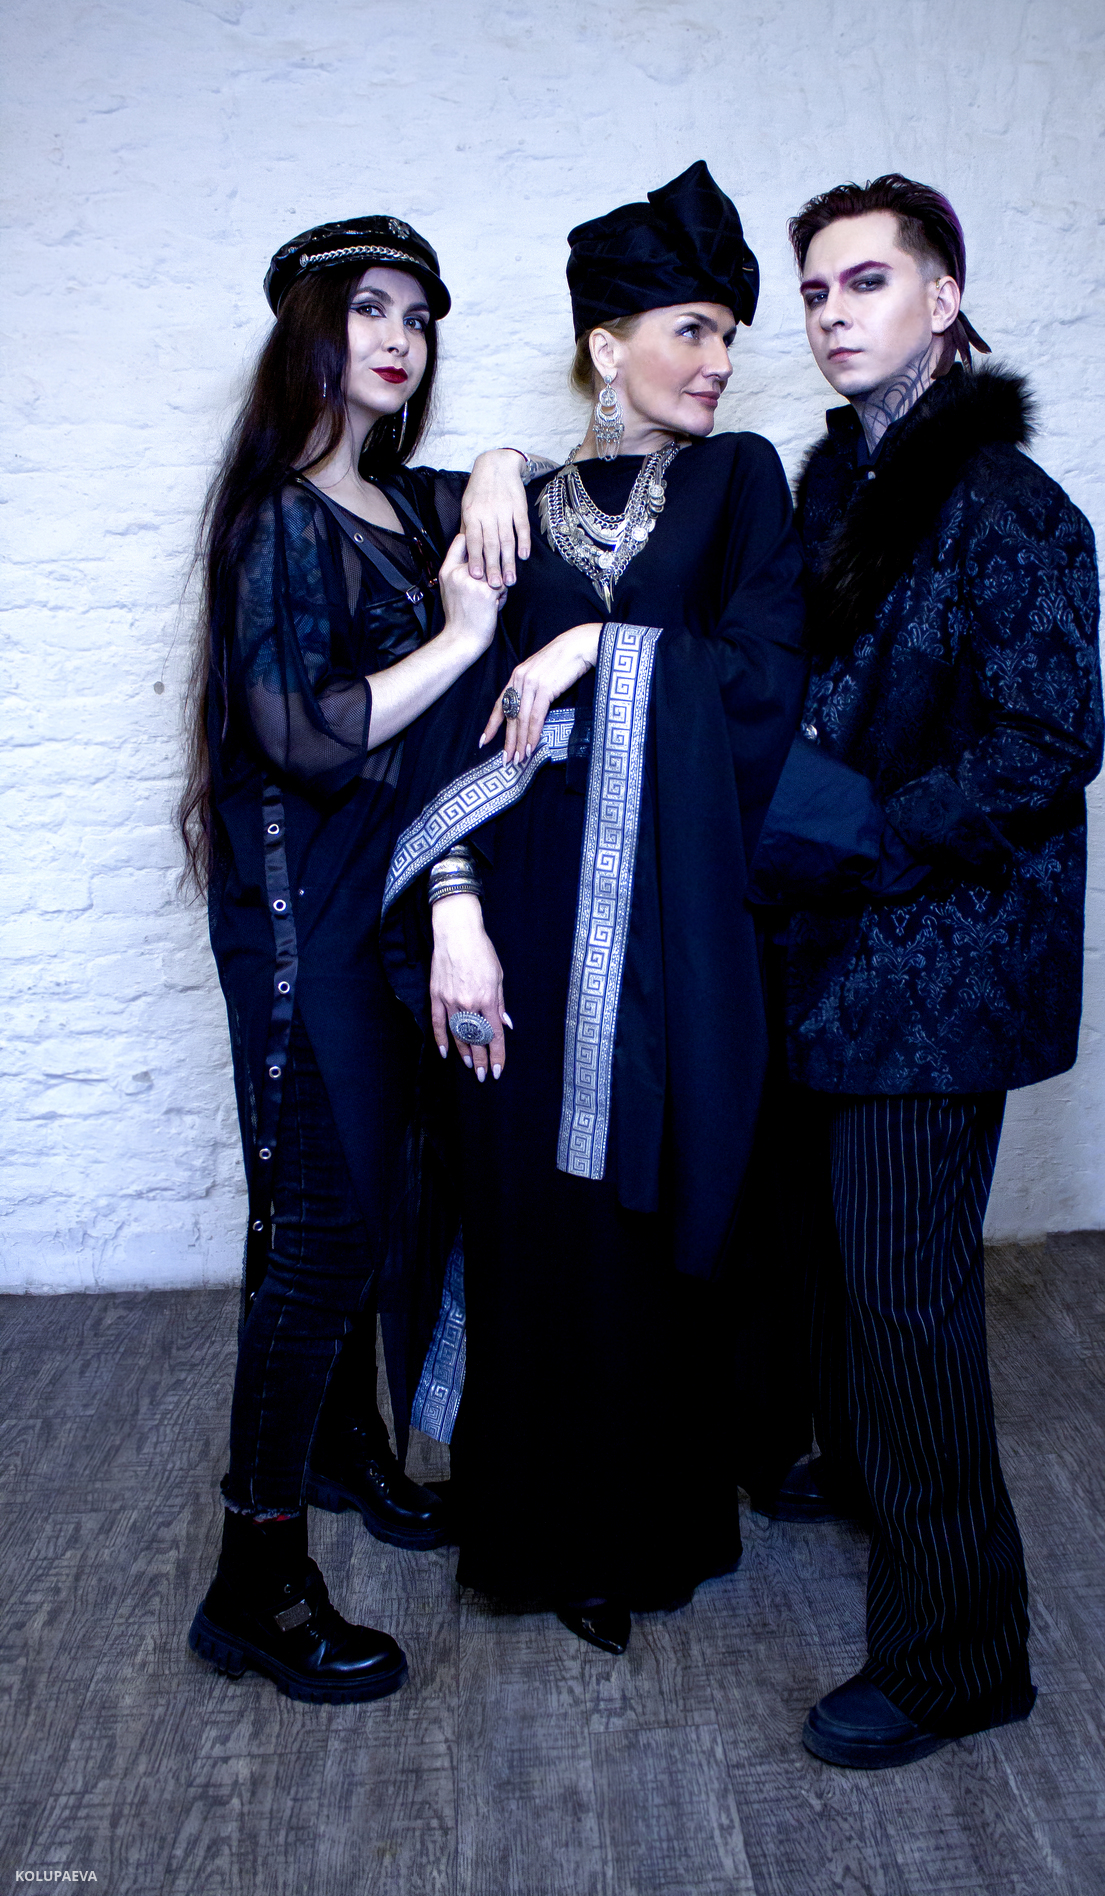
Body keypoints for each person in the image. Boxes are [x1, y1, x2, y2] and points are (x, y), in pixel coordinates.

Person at [381, 162, 809, 1654]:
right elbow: (447, 715)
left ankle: (642, 1526)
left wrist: (595, 658)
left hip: (672, 930)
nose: (720, 360)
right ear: (606, 345)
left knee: (642, 1198)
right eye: (692, 330)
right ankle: (537, 1524)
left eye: (729, 335)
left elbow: (766, 676)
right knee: (525, 1201)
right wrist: (451, 910)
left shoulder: (742, 479)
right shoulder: (501, 506)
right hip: (518, 906)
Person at [750, 175, 1104, 1766]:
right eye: (817, 290)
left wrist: (872, 833)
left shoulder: (1011, 508)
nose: (834, 313)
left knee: (907, 1302)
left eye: (868, 282)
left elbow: (1049, 741)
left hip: (941, 969)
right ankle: (859, 1473)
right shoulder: (833, 487)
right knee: (838, 1269)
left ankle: (961, 1656)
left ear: (944, 299)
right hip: (831, 949)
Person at [179, 216, 531, 1702]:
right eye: (368, 309)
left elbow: (536, 495)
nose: (399, 337)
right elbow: (302, 736)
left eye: (419, 317)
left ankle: (345, 1451)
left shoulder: (406, 501)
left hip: (381, 904)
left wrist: (499, 462)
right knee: (320, 1234)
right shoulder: (277, 519)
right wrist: (458, 640)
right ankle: (253, 1583)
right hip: (296, 916)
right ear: (308, 333)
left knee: (371, 1207)